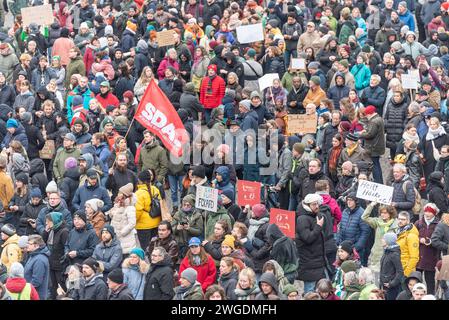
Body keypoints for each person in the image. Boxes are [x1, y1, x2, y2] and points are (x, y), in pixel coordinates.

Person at [362, 203, 398, 282]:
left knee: (386, 280)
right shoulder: (377, 222)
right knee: (375, 280)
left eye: (385, 213)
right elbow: (364, 217)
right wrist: (371, 205)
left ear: (390, 213)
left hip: (389, 255)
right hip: (376, 254)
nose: (383, 215)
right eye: (381, 213)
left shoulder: (396, 224)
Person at [42, 212, 69, 300]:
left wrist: (62, 260)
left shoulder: (64, 231)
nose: (46, 223)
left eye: (48, 221)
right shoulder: (51, 230)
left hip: (60, 264)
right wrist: (45, 231)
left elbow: (66, 247)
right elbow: (43, 242)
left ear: (55, 221)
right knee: (53, 286)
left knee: (61, 286)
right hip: (51, 262)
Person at [106, 183, 137, 255]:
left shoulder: (130, 208)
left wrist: (122, 232)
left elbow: (132, 223)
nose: (118, 194)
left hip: (126, 239)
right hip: (116, 237)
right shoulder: (118, 205)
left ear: (124, 195)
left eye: (120, 192)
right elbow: (112, 216)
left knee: (125, 257)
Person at [336, 193, 370, 260]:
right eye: (347, 200)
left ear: (356, 201)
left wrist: (357, 247)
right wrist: (338, 241)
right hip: (343, 247)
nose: (348, 202)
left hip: (355, 249)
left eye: (351, 200)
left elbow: (365, 232)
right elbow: (341, 228)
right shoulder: (345, 211)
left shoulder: (362, 213)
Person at [135, 169, 162, 251]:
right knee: (156, 247)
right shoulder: (155, 189)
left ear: (140, 180)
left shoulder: (139, 193)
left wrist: (134, 222)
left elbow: (138, 211)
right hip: (156, 223)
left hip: (144, 226)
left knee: (147, 249)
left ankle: (150, 262)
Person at [23, 234, 50, 300]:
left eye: (29, 244)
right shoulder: (33, 255)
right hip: (30, 292)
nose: (27, 245)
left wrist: (25, 290)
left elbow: (36, 281)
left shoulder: (39, 260)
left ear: (37, 246)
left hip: (36, 295)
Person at [379, 232, 404, 300]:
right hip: (384, 286)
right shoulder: (386, 252)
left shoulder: (394, 254)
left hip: (391, 288)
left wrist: (391, 284)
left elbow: (400, 271)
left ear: (388, 241)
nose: (382, 240)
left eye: (384, 238)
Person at [396, 211, 419, 277]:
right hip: (399, 267)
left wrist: (406, 273)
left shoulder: (412, 235)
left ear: (408, 221)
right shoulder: (399, 231)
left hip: (405, 270)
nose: (400, 221)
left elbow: (414, 257)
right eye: (399, 219)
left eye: (403, 219)